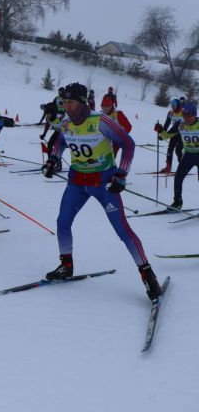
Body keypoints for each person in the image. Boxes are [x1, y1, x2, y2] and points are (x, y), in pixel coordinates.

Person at [41, 82, 162, 303]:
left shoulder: (101, 121)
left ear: (81, 102)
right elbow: (59, 142)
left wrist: (122, 174)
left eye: (69, 102)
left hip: (103, 183)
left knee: (122, 230)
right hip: (77, 182)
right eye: (64, 102)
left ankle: (147, 274)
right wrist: (53, 159)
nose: (65, 106)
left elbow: (128, 143)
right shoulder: (66, 123)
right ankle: (66, 265)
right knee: (62, 222)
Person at [167, 102, 199, 210]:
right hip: (189, 155)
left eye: (190, 116)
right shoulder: (181, 123)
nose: (187, 119)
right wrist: (160, 130)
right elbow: (167, 135)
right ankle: (177, 202)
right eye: (185, 116)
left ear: (195, 115)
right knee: (178, 177)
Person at [154, 98, 185, 173]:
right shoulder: (170, 113)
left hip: (184, 134)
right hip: (174, 133)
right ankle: (168, 167)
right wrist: (162, 133)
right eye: (172, 106)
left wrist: (165, 134)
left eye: (174, 105)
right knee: (170, 149)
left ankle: (183, 167)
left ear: (178, 105)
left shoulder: (183, 112)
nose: (173, 107)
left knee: (178, 149)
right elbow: (167, 124)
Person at [39, 101, 63, 170]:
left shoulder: (60, 117)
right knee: (49, 146)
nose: (47, 116)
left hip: (64, 133)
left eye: (48, 114)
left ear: (52, 113)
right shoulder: (48, 118)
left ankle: (59, 165)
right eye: (46, 114)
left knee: (57, 148)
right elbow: (47, 125)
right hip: (57, 131)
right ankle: (50, 163)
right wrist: (44, 134)